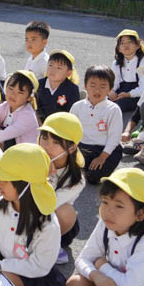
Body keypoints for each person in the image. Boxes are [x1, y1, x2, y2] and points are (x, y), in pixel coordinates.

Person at [0, 144, 66, 286]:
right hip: (3, 266)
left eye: (6, 179)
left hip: (39, 280)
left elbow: (39, 266)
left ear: (26, 184)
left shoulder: (47, 224)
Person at [38, 112, 85, 264]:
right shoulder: (32, 157)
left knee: (66, 211)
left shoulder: (76, 179)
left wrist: (43, 178)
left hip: (54, 221)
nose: (47, 146)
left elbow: (48, 204)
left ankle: (51, 245)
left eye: (56, 143)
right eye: (44, 138)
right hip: (26, 215)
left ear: (71, 148)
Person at [70, 66, 123, 184]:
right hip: (83, 147)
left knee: (94, 178)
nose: (97, 90)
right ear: (85, 85)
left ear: (110, 88)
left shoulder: (113, 109)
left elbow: (114, 137)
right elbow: (70, 130)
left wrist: (102, 158)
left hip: (106, 150)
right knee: (71, 173)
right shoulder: (77, 106)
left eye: (103, 86)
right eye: (92, 85)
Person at [0, 71, 41, 149]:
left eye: (20, 92)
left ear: (29, 97)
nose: (13, 95)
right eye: (11, 89)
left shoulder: (27, 116)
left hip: (25, 155)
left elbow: (3, 135)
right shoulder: (5, 106)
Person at [108, 29, 144, 112]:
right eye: (122, 43)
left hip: (137, 94)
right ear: (119, 48)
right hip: (122, 89)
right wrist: (111, 91)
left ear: (138, 45)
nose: (126, 45)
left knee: (118, 105)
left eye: (130, 42)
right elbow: (114, 81)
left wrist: (129, 94)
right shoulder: (116, 63)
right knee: (104, 99)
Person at [35, 50, 81, 122]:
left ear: (69, 73)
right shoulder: (38, 84)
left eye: (59, 68)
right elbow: (32, 108)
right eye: (50, 65)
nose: (53, 70)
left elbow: (71, 114)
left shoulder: (72, 89)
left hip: (60, 127)